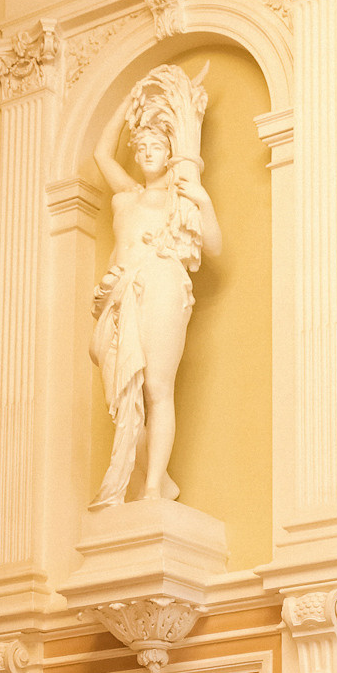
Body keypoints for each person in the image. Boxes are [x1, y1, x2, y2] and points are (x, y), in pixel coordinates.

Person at [89, 64, 222, 507]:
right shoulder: (125, 196)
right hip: (118, 295)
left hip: (163, 284)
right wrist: (128, 104)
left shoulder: (179, 199)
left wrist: (201, 199)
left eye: (154, 145)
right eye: (140, 145)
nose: (145, 151)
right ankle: (156, 480)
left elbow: (215, 247)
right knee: (122, 395)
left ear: (170, 152)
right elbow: (102, 155)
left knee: (156, 389)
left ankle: (150, 490)